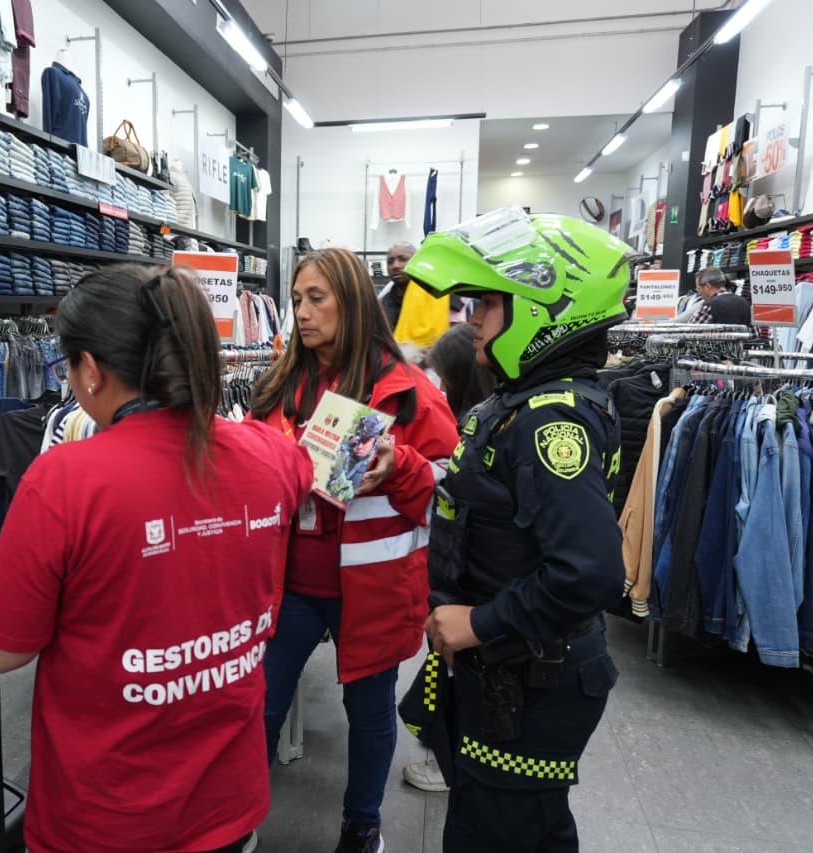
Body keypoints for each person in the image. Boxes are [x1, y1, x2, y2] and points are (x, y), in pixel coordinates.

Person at [0, 264, 314, 853]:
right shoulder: (269, 453)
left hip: (105, 817)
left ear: (91, 369)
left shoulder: (64, 480)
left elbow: (3, 651)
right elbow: (314, 468)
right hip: (229, 806)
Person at [405, 209, 626, 852]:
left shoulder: (552, 422)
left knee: (497, 830)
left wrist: (479, 622)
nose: (472, 318)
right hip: (514, 672)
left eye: (487, 303)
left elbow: (590, 574)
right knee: (529, 828)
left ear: (543, 308)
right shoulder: (523, 403)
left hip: (531, 682)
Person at [250, 247, 458, 853]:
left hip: (372, 588)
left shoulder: (411, 393)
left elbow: (453, 497)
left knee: (368, 713)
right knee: (261, 705)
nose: (302, 312)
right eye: (296, 300)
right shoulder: (278, 384)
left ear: (354, 303)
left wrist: (403, 466)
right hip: (288, 584)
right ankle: (236, 815)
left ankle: (362, 825)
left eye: (316, 299)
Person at [400, 321, 497, 793]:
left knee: (457, 666)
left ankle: (449, 756)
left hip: (469, 578)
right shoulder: (478, 419)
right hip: (463, 573)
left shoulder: (474, 427)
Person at [325, 412, 388, 506]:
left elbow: (348, 497)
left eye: (365, 441)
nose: (359, 446)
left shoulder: (377, 458)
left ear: (375, 441)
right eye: (359, 440)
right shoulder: (350, 444)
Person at [379, 241, 416, 329]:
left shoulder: (433, 299)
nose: (395, 266)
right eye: (390, 262)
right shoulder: (381, 305)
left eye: (403, 259)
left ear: (416, 261)